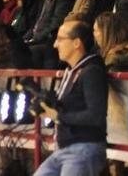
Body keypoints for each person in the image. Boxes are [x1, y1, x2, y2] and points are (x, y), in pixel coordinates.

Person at [34, 21, 108, 176]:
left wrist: (59, 116)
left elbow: (96, 115)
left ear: (76, 43)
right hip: (64, 147)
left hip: (83, 148)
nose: (55, 45)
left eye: (60, 39)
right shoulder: (72, 71)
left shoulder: (91, 71)